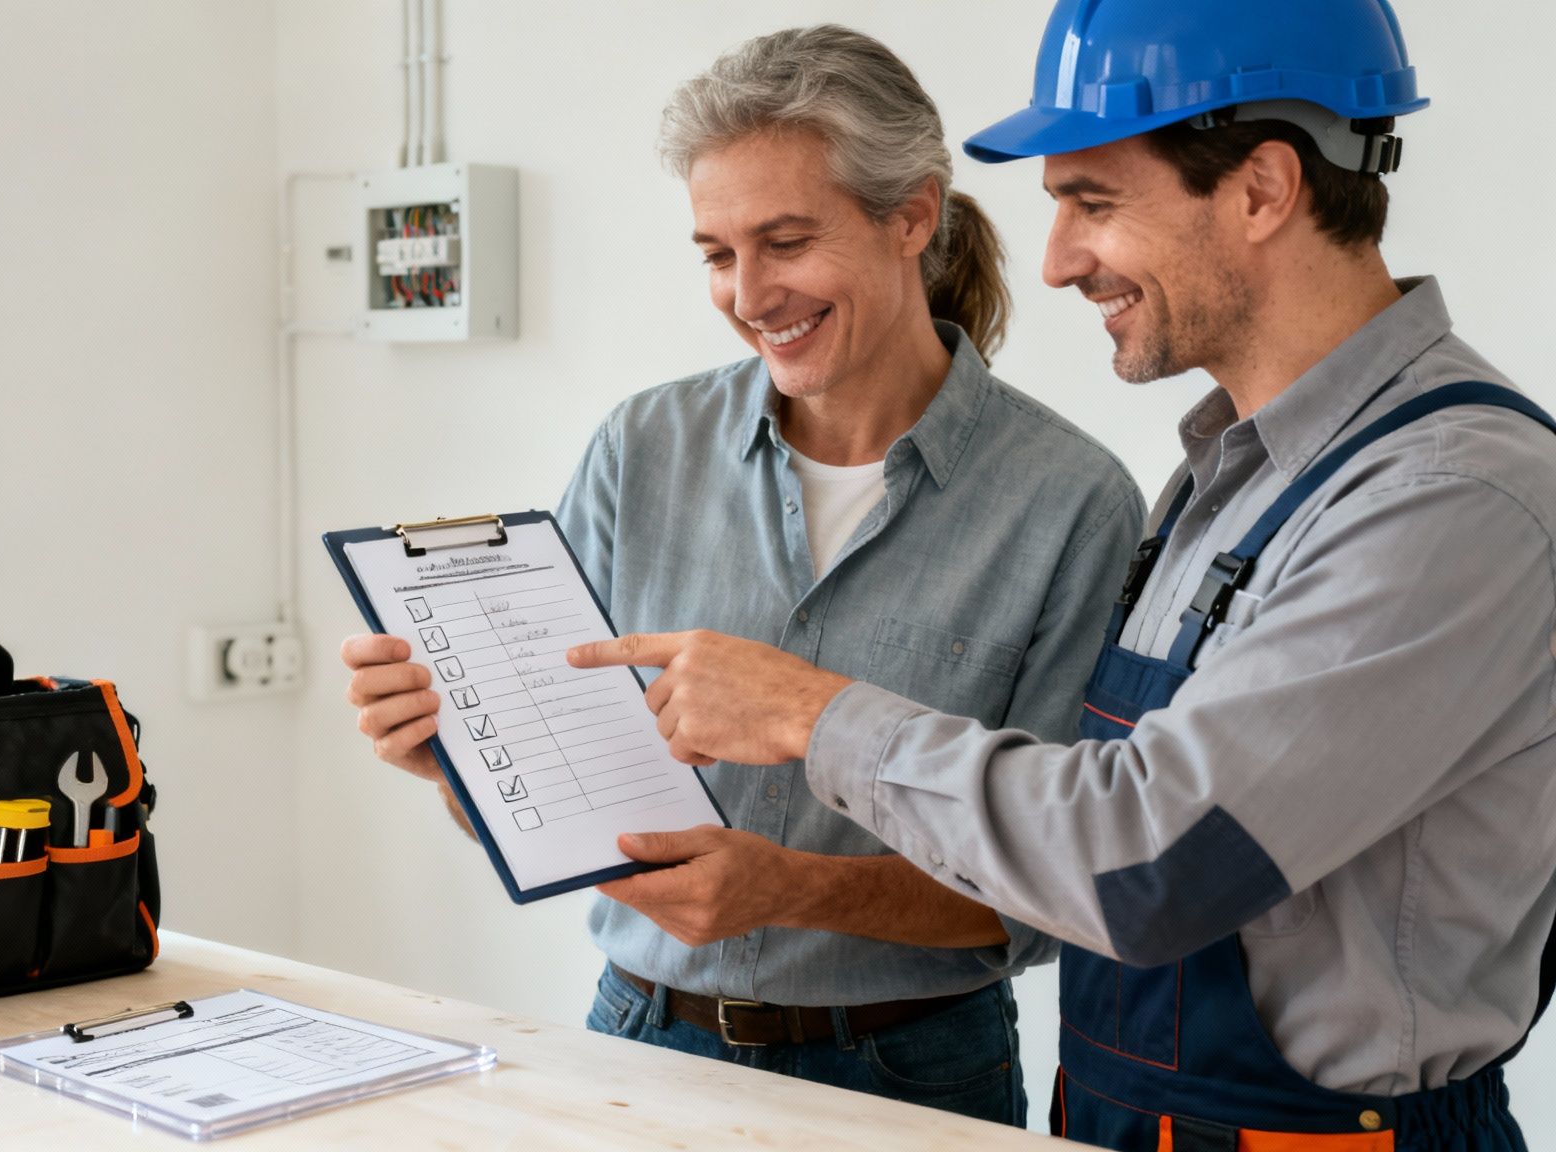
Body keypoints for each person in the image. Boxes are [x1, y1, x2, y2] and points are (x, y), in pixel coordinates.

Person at [568, 2, 1556, 1149]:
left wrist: (811, 715)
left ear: (1260, 189)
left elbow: (1145, 860)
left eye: (1092, 202)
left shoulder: (1446, 500)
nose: (1052, 261)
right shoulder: (1224, 479)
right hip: (1118, 1114)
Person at [341, 26, 1144, 1124]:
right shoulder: (641, 448)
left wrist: (795, 890)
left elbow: (1057, 885)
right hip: (639, 1040)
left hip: (912, 1078)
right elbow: (565, 804)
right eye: (718, 254)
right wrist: (457, 762)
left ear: (912, 216)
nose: (750, 293)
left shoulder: (1070, 502)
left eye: (786, 241)